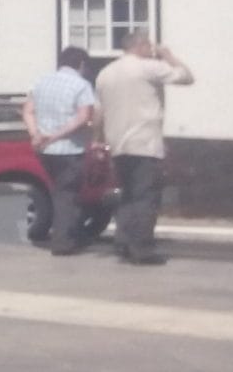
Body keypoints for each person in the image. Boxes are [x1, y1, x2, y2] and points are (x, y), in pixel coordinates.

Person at [94, 31, 194, 266]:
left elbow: (99, 113)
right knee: (145, 197)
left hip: (118, 143)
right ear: (139, 46)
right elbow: (186, 77)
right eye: (149, 45)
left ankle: (124, 242)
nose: (152, 49)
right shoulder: (148, 67)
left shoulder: (105, 73)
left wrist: (97, 139)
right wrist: (168, 56)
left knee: (128, 195)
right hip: (144, 142)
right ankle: (142, 248)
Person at [23, 45, 101, 254]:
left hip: (44, 150)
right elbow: (84, 117)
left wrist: (35, 134)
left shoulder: (41, 82)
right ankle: (63, 241)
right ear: (81, 64)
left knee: (60, 191)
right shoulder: (82, 85)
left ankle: (72, 235)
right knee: (68, 195)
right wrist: (57, 135)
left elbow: (28, 111)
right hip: (70, 148)